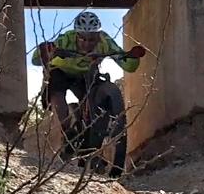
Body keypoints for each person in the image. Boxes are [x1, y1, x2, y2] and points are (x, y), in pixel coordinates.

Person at [32, 11, 140, 157]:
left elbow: (128, 66)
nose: (87, 43)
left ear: (98, 36)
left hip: (84, 74)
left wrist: (132, 56)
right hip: (62, 70)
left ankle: (90, 128)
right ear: (76, 35)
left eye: (92, 39)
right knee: (55, 87)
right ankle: (68, 130)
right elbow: (35, 60)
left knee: (93, 90)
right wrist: (46, 50)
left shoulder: (105, 41)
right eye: (82, 39)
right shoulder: (66, 39)